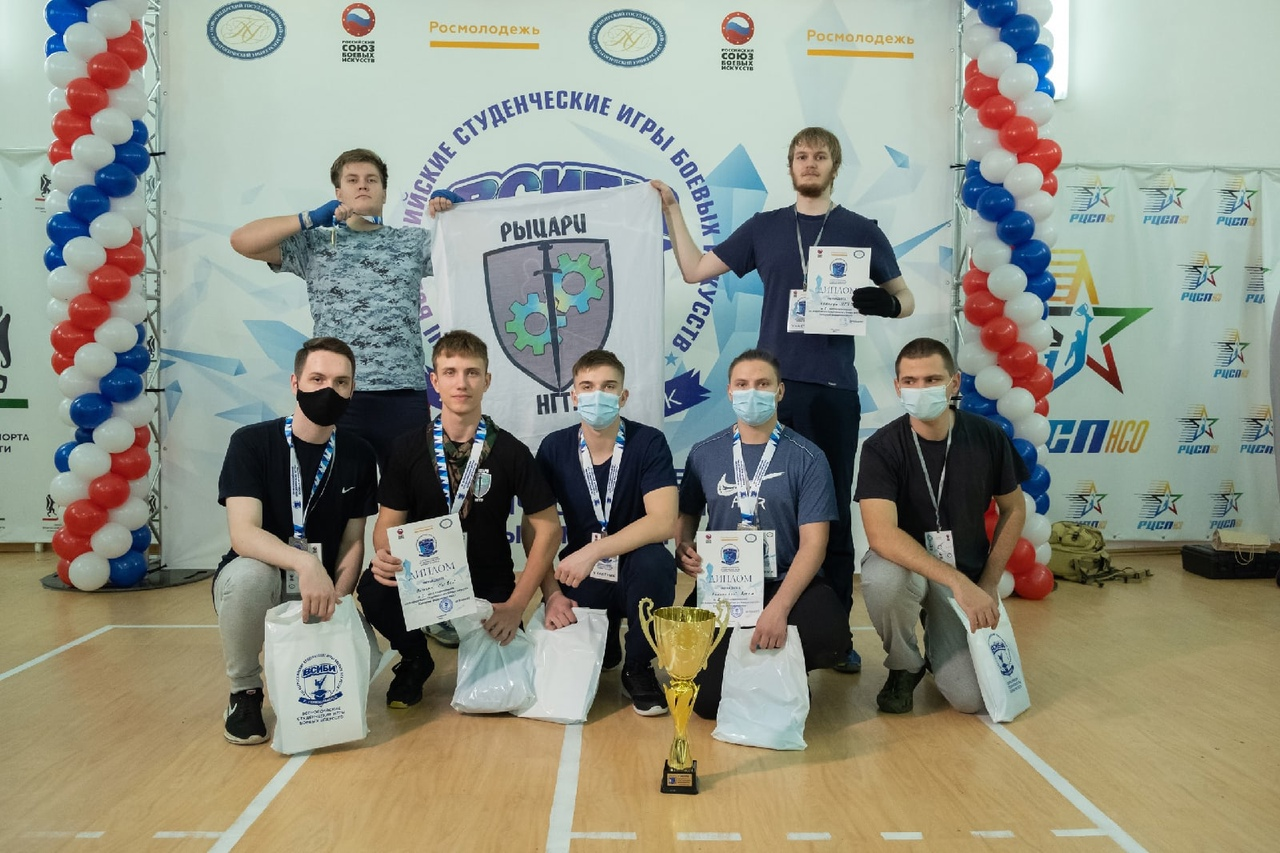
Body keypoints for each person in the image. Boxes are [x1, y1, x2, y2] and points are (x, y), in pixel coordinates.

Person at [653, 127, 916, 674]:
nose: (809, 163)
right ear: (790, 165)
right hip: (769, 392)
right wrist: (673, 209)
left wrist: (885, 305)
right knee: (755, 504)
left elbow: (905, 299)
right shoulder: (766, 227)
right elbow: (694, 269)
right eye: (801, 155)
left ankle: (834, 632)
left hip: (833, 392)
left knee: (830, 512)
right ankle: (746, 606)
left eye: (820, 156)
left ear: (834, 166)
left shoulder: (861, 230)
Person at [357, 330, 561, 709]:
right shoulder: (407, 448)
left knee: (501, 694)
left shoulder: (512, 451)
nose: (461, 383)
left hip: (488, 581)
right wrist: (384, 553)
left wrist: (516, 605)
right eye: (450, 372)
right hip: (427, 576)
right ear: (435, 382)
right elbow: (387, 524)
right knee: (374, 586)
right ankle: (416, 657)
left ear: (487, 380)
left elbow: (549, 528)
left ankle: (465, 626)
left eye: (471, 372)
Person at [229, 148, 455, 471]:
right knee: (334, 492)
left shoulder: (412, 242)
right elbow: (241, 241)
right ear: (338, 193)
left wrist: (456, 215)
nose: (362, 185)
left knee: (412, 493)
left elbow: (472, 251)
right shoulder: (315, 244)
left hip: (402, 394)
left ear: (384, 193)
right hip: (334, 392)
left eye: (371, 180)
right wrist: (307, 219)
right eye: (352, 180)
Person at [213, 337, 378, 745]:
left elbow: (353, 542)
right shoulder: (251, 442)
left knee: (369, 658)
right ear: (295, 383)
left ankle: (297, 683)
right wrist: (306, 563)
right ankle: (245, 691)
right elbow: (243, 533)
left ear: (352, 390)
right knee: (249, 578)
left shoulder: (358, 453)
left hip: (321, 587)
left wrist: (339, 597)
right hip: (264, 579)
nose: (328, 390)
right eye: (317, 379)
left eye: (341, 382)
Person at [854, 337, 1028, 715]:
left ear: (954, 382)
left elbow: (1014, 509)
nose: (920, 389)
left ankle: (939, 648)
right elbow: (881, 535)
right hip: (909, 569)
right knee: (883, 579)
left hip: (965, 573)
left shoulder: (987, 436)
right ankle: (904, 664)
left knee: (971, 699)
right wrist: (957, 582)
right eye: (910, 381)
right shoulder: (881, 447)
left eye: (932, 379)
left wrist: (988, 583)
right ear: (898, 387)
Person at [675, 349, 850, 718]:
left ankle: (786, 671)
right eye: (742, 384)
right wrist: (683, 545)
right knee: (706, 703)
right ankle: (770, 676)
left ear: (779, 391)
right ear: (729, 391)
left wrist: (778, 609)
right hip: (725, 585)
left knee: (830, 635)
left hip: (788, 580)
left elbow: (814, 545)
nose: (751, 392)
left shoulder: (808, 457)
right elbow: (687, 512)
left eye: (762, 384)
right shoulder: (704, 453)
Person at [530, 349, 679, 716]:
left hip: (632, 566)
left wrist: (595, 550)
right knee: (569, 680)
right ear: (574, 396)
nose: (598, 395)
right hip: (581, 574)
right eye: (587, 386)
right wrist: (552, 594)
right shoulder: (554, 447)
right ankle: (606, 637)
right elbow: (534, 531)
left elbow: (663, 521)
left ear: (623, 396)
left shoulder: (649, 442)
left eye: (609, 386)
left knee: (656, 562)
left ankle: (638, 666)